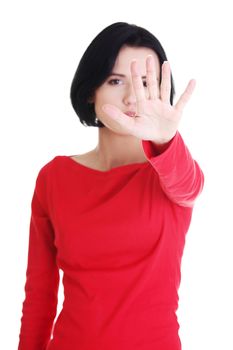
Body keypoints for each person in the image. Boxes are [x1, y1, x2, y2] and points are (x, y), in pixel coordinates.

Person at [18, 22, 204, 350]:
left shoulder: (169, 172)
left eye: (146, 82)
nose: (133, 96)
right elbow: (40, 296)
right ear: (92, 89)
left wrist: (165, 139)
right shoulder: (54, 177)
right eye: (116, 80)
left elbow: (190, 187)